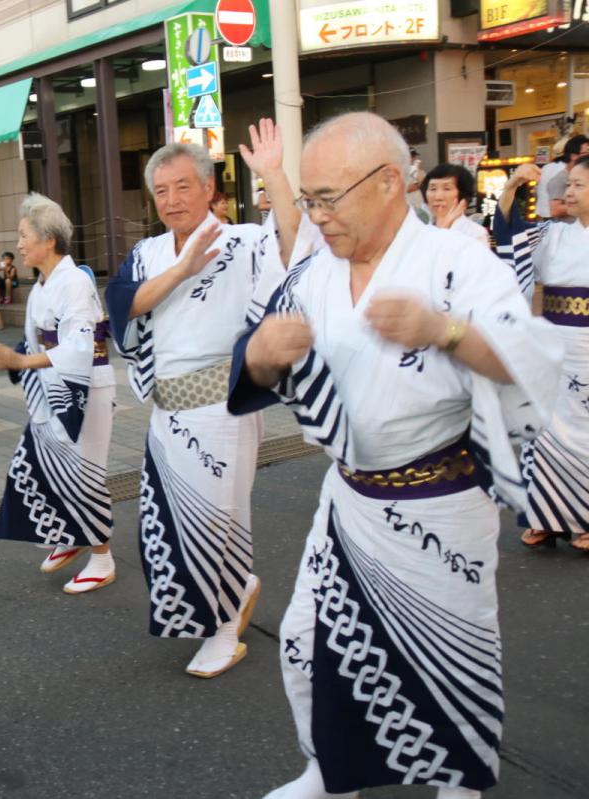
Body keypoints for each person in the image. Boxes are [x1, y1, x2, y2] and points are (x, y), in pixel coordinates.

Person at [229, 112, 561, 799]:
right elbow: (262, 351)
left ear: (387, 183)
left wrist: (445, 328)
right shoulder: (318, 272)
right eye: (307, 201)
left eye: (327, 198)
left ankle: (456, 785)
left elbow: (530, 361)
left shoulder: (457, 261)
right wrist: (259, 359)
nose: (316, 216)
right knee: (304, 640)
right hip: (348, 497)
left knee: (444, 659)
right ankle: (329, 770)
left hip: (438, 506)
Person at [103, 119, 296, 678]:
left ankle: (224, 628)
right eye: (161, 191)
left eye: (183, 186)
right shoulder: (148, 252)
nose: (171, 200)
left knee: (219, 518)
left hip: (221, 404)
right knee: (169, 521)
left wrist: (275, 175)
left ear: (210, 188)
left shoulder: (243, 242)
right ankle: (231, 597)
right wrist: (183, 269)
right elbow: (123, 305)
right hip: (167, 409)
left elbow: (295, 240)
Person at [0, 194, 117, 593]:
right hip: (53, 388)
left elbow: (79, 349)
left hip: (85, 390)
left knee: (84, 472)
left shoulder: (75, 282)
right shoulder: (44, 286)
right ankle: (73, 535)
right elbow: (32, 346)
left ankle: (102, 557)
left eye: (24, 235)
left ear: (49, 240)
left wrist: (18, 362)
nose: (19, 243)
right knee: (40, 465)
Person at [493, 157, 589, 550]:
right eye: (570, 184)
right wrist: (512, 186)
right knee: (545, 432)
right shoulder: (552, 234)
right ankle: (546, 516)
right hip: (553, 343)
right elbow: (508, 235)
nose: (569, 191)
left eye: (579, 185)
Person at [422, 163, 489, 246]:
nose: (438, 196)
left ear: (462, 196)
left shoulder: (474, 233)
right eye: (433, 189)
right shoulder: (421, 232)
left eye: (447, 189)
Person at [536, 135, 589, 219]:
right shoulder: (560, 176)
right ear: (573, 156)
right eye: (586, 153)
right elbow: (555, 210)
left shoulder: (546, 167)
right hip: (561, 225)